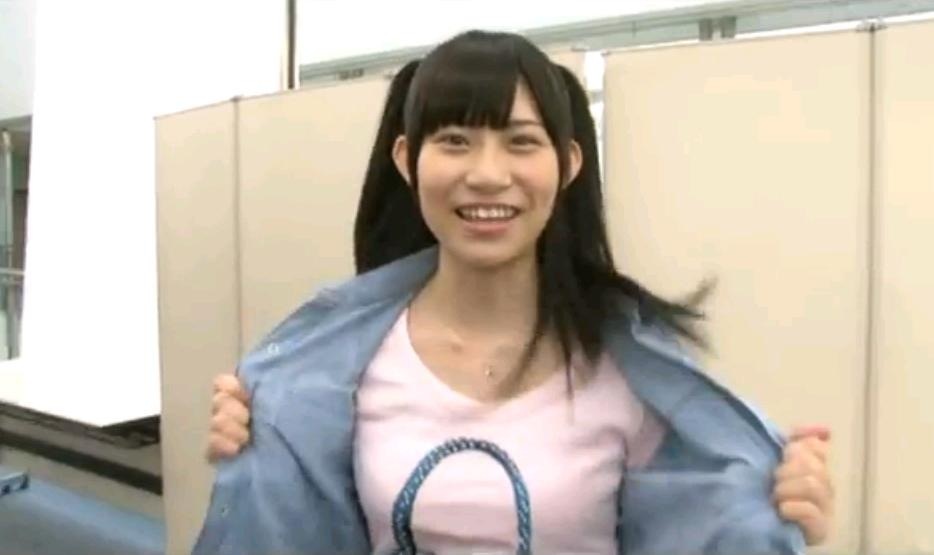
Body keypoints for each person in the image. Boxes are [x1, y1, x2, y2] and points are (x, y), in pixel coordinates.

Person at [194, 30, 833, 554]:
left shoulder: (626, 371)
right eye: (455, 141)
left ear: (568, 165)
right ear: (406, 159)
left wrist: (771, 508)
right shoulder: (338, 368)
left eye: (521, 142)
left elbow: (705, 527)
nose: (487, 174)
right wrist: (257, 453)